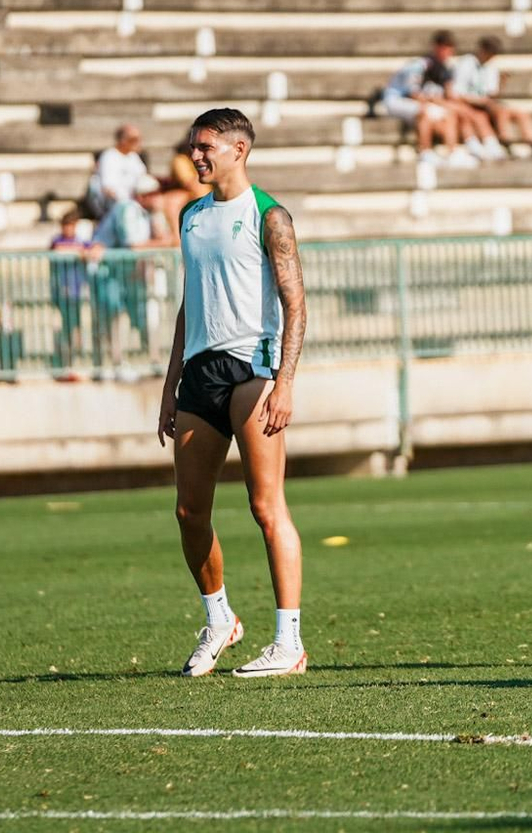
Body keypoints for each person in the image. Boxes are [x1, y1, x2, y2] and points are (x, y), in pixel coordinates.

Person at [158, 108, 311, 679]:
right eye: (194, 146)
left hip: (253, 372)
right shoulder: (191, 216)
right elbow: (189, 301)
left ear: (239, 150)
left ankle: (289, 642)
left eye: (206, 147)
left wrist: (285, 382)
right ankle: (219, 619)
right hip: (200, 373)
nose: (196, 155)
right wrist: (170, 384)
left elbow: (295, 303)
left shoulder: (269, 216)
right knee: (189, 511)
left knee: (266, 507)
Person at [379, 32, 477, 169]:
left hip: (417, 102)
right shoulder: (419, 65)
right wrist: (438, 102)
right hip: (396, 100)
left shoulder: (443, 68)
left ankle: (453, 153)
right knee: (425, 111)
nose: (448, 53)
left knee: (448, 115)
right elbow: (412, 93)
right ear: (437, 47)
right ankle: (425, 152)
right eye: (446, 48)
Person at [450, 36, 532, 160]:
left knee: (522, 114)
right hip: (471, 104)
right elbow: (457, 93)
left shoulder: (490, 66)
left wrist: (501, 82)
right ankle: (506, 144)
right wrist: (479, 101)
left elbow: (492, 93)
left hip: (487, 103)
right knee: (502, 112)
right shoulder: (466, 64)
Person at [47, 210, 96, 377]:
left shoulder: (81, 241)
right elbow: (58, 249)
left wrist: (82, 251)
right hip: (60, 293)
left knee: (75, 328)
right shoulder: (57, 240)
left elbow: (91, 251)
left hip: (76, 293)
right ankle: (62, 362)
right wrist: (79, 252)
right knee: (62, 328)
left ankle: (73, 361)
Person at [87, 124, 149, 219]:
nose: (138, 143)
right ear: (123, 140)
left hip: (135, 204)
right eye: (134, 139)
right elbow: (108, 190)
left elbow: (144, 180)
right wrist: (129, 204)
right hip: (115, 209)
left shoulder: (134, 157)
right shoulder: (109, 157)